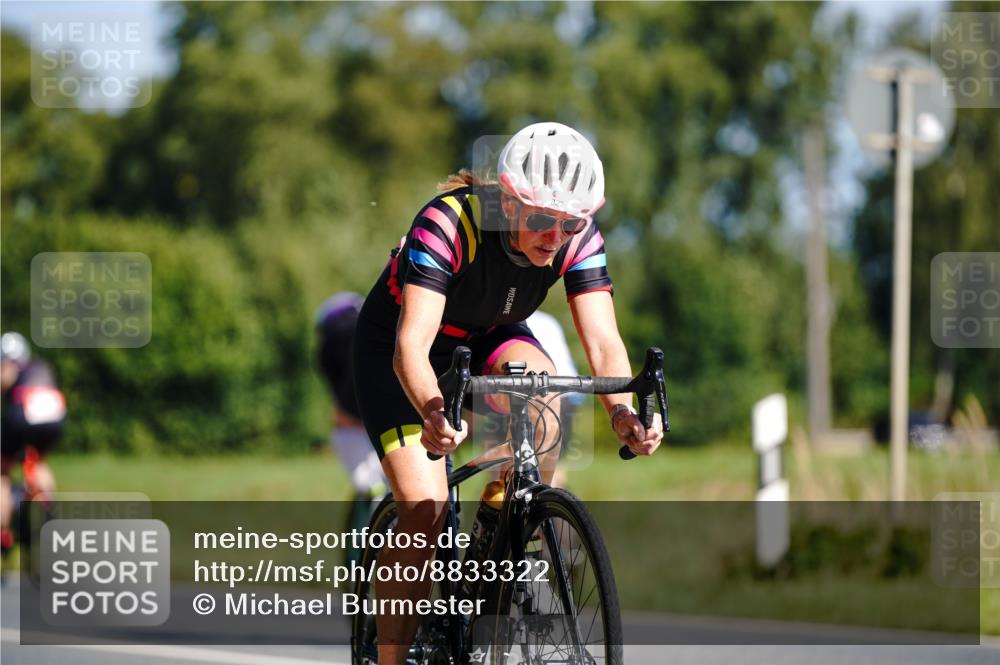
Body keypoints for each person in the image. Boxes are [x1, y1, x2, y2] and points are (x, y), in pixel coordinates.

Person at [352, 121, 663, 664]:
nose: (555, 235)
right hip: (402, 351)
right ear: (509, 203)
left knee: (546, 395)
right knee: (425, 508)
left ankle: (505, 519)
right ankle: (391, 657)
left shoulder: (575, 237)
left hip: (489, 334)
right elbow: (412, 345)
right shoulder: (449, 222)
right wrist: (431, 409)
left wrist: (622, 413)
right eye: (542, 219)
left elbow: (604, 342)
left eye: (570, 224)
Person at [314, 293, 387, 556]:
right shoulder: (363, 326)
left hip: (352, 426)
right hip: (366, 423)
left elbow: (342, 409)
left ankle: (360, 562)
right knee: (377, 491)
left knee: (371, 490)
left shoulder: (328, 350)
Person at [1, 332, 65, 555]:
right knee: (38, 461)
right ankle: (47, 506)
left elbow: (5, 382)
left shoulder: (9, 365)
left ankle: (4, 533)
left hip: (24, 413)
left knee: (3, 472)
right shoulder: (40, 365)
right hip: (55, 414)